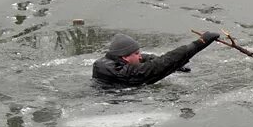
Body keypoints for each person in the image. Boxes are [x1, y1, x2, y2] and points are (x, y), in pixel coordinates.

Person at [92, 31, 221, 88]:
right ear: (124, 56)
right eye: (136, 53)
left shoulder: (108, 61)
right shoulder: (122, 73)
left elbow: (150, 59)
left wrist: (176, 66)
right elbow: (160, 65)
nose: (140, 56)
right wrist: (199, 43)